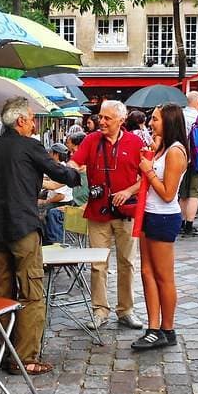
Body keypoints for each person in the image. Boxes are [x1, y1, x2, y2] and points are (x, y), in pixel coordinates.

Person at [0, 97, 81, 375]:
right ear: (20, 121)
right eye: (30, 118)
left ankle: (6, 353)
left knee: (1, 293)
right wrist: (77, 174)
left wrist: (0, 192)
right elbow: (60, 173)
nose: (32, 123)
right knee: (31, 293)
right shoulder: (30, 145)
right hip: (23, 229)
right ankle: (26, 357)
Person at [69, 100, 145, 331]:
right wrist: (65, 169)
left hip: (126, 212)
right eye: (100, 117)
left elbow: (146, 177)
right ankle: (99, 310)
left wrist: (128, 191)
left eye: (107, 118)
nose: (101, 121)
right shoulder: (91, 140)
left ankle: (126, 310)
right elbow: (75, 161)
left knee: (127, 263)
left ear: (121, 121)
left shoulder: (135, 142)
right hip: (98, 211)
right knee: (97, 264)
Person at [133, 103, 187, 350]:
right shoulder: (161, 148)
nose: (151, 123)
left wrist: (149, 170)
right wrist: (150, 156)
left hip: (163, 216)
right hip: (148, 213)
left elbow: (167, 193)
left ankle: (167, 328)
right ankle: (153, 327)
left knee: (163, 277)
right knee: (146, 272)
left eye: (155, 119)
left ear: (169, 122)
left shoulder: (176, 151)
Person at [178, 91, 198, 237]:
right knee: (194, 193)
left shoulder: (179, 116)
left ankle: (180, 223)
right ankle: (189, 226)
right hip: (196, 159)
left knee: (183, 193)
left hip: (179, 157)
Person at [40, 143, 74, 245]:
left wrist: (44, 201)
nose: (48, 154)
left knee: (41, 211)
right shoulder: (56, 167)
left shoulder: (61, 170)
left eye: (50, 152)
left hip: (62, 204)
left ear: (56, 155)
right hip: (56, 201)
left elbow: (61, 196)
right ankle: (45, 241)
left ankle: (53, 241)